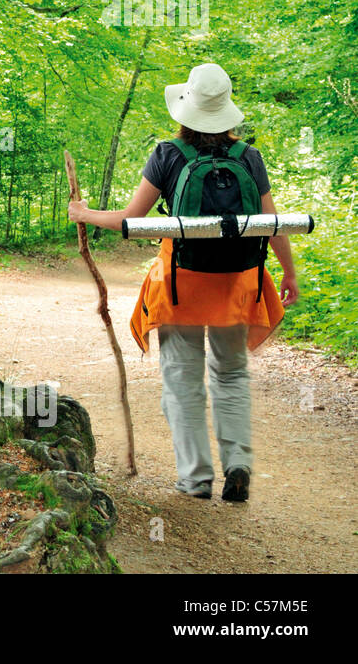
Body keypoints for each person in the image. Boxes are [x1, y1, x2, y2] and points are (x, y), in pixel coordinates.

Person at [68, 63, 299, 502]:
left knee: (181, 378)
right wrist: (288, 272)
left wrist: (85, 214)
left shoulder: (168, 154)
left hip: (181, 285)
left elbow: (129, 221)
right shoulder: (249, 158)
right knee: (231, 375)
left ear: (186, 109)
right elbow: (272, 223)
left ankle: (195, 478)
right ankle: (238, 464)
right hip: (238, 283)